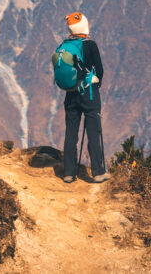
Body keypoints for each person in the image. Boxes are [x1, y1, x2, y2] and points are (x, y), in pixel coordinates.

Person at [60, 12, 110, 183]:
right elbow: (100, 69)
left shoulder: (64, 45)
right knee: (93, 131)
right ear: (85, 27)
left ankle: (68, 172)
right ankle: (97, 172)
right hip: (89, 93)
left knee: (71, 133)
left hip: (70, 95)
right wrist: (97, 82)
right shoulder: (90, 45)